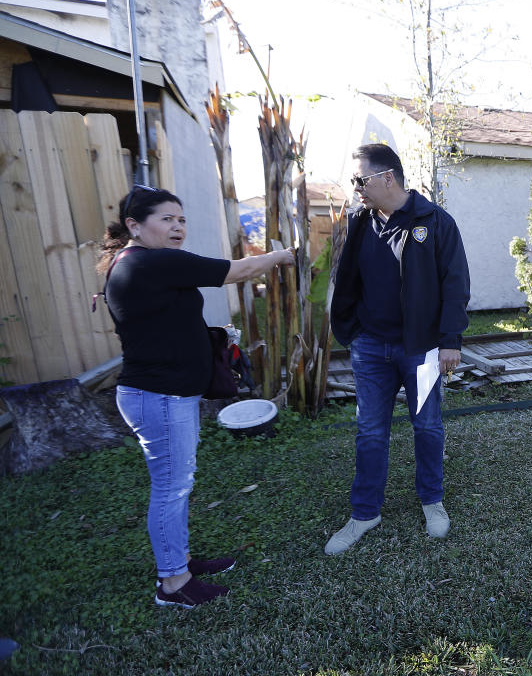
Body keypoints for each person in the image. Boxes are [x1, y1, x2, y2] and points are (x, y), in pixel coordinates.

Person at [98, 185, 295, 608]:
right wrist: (280, 256)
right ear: (135, 225)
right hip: (160, 397)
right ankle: (174, 584)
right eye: (166, 219)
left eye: (181, 219)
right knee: (171, 488)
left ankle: (180, 560)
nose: (177, 227)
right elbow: (236, 271)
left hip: (163, 395)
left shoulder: (137, 264)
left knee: (177, 485)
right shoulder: (151, 263)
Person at [325, 143, 470, 555]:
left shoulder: (434, 221)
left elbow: (455, 283)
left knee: (427, 427)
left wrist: (450, 341)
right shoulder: (359, 222)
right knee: (370, 431)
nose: (357, 189)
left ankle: (432, 501)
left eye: (361, 180)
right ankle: (365, 512)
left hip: (421, 348)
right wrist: (351, 330)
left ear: (387, 177)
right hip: (370, 348)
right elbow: (348, 278)